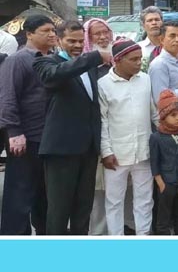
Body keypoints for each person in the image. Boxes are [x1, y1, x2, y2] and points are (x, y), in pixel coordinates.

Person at [34, 21, 112, 235]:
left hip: (87, 149)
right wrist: (94, 56)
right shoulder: (46, 63)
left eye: (80, 41)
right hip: (61, 150)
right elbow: (55, 76)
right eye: (71, 41)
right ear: (59, 40)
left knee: (82, 210)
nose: (77, 45)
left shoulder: (89, 68)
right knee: (59, 211)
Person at [0, 15, 55, 235]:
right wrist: (14, 132)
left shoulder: (53, 59)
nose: (51, 34)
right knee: (19, 196)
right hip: (26, 138)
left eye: (53, 30)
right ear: (29, 34)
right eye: (45, 31)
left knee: (45, 195)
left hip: (49, 138)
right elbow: (8, 97)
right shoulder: (18, 60)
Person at [98, 40, 156, 235]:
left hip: (144, 151)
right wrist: (106, 152)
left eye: (140, 58)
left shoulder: (145, 79)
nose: (139, 63)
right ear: (118, 61)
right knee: (114, 201)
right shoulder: (104, 85)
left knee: (145, 199)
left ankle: (143, 238)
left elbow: (153, 112)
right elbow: (102, 121)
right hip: (116, 154)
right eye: (134, 59)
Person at [82, 17, 114, 236]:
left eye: (106, 32)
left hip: (120, 132)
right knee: (98, 188)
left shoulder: (117, 61)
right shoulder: (85, 64)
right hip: (94, 135)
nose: (103, 37)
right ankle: (98, 232)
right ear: (88, 38)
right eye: (97, 34)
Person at [149, 90, 178, 235]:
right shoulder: (156, 138)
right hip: (167, 182)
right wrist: (160, 183)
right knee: (164, 217)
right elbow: (154, 162)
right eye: (173, 115)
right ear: (163, 116)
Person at [148, 21, 178, 130]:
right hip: (171, 127)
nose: (177, 40)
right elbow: (160, 98)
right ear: (162, 40)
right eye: (172, 36)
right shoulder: (159, 65)